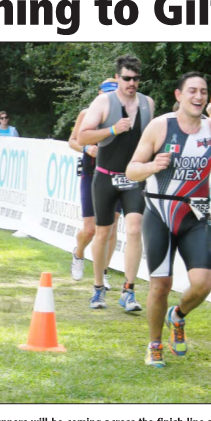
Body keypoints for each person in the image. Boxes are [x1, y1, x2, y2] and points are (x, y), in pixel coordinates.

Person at [126, 71, 211, 368]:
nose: (198, 97)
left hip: (196, 213)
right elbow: (132, 170)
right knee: (161, 284)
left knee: (204, 283)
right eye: (192, 91)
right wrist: (152, 166)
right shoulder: (161, 127)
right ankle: (154, 344)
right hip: (160, 212)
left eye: (203, 92)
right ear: (179, 95)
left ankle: (178, 316)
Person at [78, 55, 154, 313]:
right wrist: (112, 130)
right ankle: (98, 287)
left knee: (134, 228)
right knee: (103, 233)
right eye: (127, 78)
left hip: (133, 177)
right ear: (118, 78)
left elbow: (151, 140)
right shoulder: (103, 102)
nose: (132, 83)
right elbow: (82, 136)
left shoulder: (148, 104)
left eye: (136, 79)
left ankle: (128, 290)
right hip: (105, 176)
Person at [67, 76, 117, 279]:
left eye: (113, 94)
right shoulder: (87, 114)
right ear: (99, 94)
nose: (109, 97)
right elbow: (72, 141)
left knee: (111, 229)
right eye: (106, 93)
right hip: (91, 173)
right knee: (89, 229)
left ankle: (103, 272)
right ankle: (78, 254)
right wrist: (86, 147)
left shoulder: (123, 117)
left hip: (115, 175)